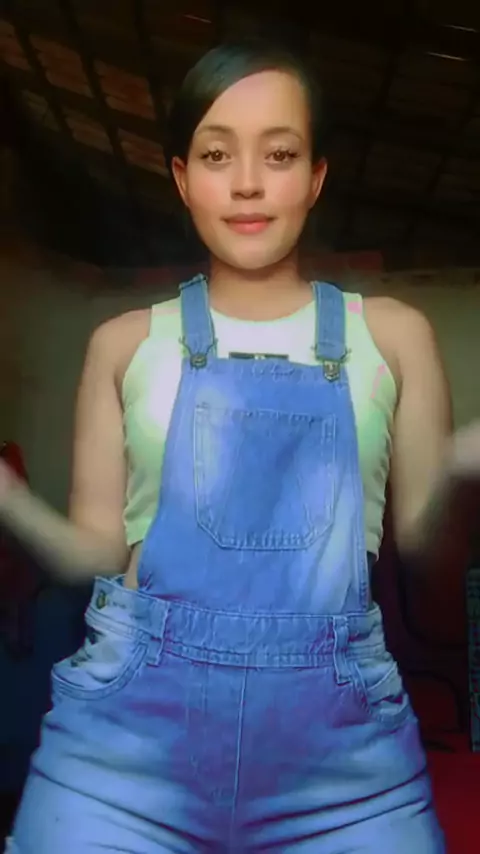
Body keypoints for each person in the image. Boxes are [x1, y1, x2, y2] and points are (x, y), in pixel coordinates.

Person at [1, 38, 480, 854]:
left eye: (279, 154)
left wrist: (467, 467)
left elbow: (428, 566)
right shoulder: (123, 342)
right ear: (182, 177)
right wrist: (5, 495)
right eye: (217, 155)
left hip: (344, 762)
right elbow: (94, 553)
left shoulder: (394, 336)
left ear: (316, 177)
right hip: (126, 747)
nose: (248, 182)